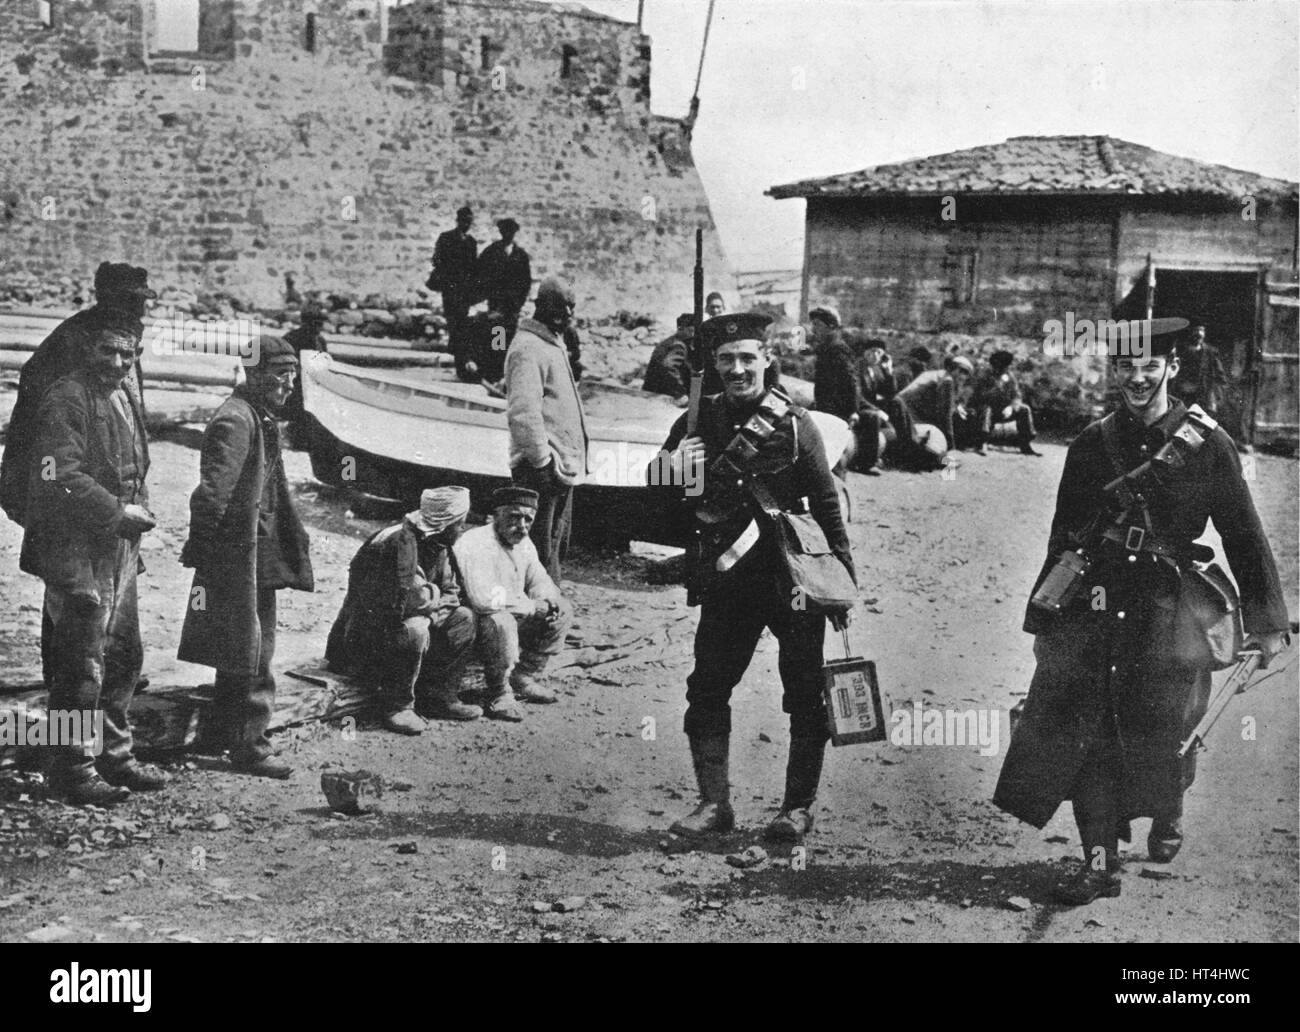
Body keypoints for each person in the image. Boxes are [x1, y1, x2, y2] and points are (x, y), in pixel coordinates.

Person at [993, 318, 1289, 905]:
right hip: (1098, 599)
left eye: (1149, 366)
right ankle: (1099, 861)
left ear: (1172, 368)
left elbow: (1242, 533)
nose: (1137, 377)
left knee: (1165, 723)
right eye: (1126, 366)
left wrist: (1267, 622)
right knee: (1088, 725)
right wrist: (1045, 614)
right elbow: (1065, 536)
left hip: (1168, 603)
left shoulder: (1209, 444)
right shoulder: (1092, 443)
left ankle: (1167, 806)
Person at [652, 313, 856, 842]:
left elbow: (827, 504)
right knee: (708, 689)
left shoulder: (794, 423)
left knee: (805, 694)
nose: (737, 369)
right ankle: (714, 804)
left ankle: (797, 808)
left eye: (747, 358)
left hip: (793, 578)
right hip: (729, 579)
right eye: (726, 360)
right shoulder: (698, 419)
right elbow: (658, 495)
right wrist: (677, 465)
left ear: (767, 359)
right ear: (714, 366)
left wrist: (842, 579)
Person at [21, 320, 166, 804]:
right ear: (89, 348)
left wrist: (135, 508)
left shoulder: (123, 394)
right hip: (76, 550)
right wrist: (116, 511)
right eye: (109, 351)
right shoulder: (66, 398)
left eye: (130, 354)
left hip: (119, 549)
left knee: (124, 655)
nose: (120, 363)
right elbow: (57, 474)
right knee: (79, 665)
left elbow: (135, 466)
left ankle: (115, 755)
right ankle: (72, 767)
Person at [1, 263, 157, 692]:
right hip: (70, 495)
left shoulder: (124, 339)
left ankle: (99, 688)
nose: (136, 309)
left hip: (109, 503)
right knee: (75, 598)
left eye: (141, 301)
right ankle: (66, 689)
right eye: (127, 300)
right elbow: (44, 433)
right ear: (102, 296)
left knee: (106, 611)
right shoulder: (74, 345)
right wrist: (30, 490)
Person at [177, 336, 314, 779]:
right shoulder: (236, 421)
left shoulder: (256, 414)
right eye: (279, 375)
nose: (288, 385)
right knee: (255, 649)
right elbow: (214, 494)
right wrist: (205, 550)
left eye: (293, 375)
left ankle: (222, 735)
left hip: (256, 550)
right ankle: (250, 746)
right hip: (240, 556)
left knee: (241, 645)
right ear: (252, 375)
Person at [325, 487, 480, 730]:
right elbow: (411, 600)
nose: (463, 528)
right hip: (362, 640)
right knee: (415, 628)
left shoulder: (438, 543)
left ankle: (439, 697)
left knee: (463, 619)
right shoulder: (397, 542)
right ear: (446, 522)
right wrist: (431, 606)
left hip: (399, 630)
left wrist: (432, 607)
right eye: (460, 523)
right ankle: (397, 706)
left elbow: (452, 593)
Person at [453, 487, 571, 722]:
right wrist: (532, 607)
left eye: (528, 519)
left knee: (563, 608)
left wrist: (548, 600)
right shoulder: (475, 542)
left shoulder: (524, 543)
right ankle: (499, 692)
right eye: (514, 516)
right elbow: (483, 600)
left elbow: (539, 578)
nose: (522, 525)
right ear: (496, 515)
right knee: (501, 621)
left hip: (514, 612)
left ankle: (524, 677)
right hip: (474, 624)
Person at [505, 278, 589, 584]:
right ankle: (536, 623)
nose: (566, 312)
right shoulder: (529, 347)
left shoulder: (552, 344)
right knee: (537, 550)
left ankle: (550, 618)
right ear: (540, 306)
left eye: (571, 306)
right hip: (540, 469)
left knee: (553, 547)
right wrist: (542, 461)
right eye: (559, 305)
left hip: (559, 468)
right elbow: (523, 413)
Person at [892, 354, 972, 468]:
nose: (963, 376)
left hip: (899, 412)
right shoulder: (947, 380)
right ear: (952, 368)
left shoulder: (933, 374)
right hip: (910, 418)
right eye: (961, 371)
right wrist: (951, 449)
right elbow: (946, 416)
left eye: (966, 373)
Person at [429, 206, 479, 373]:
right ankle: (458, 353)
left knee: (461, 321)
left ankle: (459, 354)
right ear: (458, 221)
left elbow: (473, 267)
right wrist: (449, 274)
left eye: (469, 222)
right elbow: (437, 259)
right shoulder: (446, 238)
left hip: (464, 290)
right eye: (464, 221)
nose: (467, 224)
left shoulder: (472, 242)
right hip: (450, 288)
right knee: (453, 320)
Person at [971, 349, 1039, 455]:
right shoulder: (986, 377)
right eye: (1000, 366)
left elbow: (1017, 395)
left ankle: (1025, 444)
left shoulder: (1010, 376)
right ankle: (982, 443)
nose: (1004, 369)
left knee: (1024, 409)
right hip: (989, 410)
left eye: (1005, 366)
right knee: (986, 410)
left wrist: (1011, 407)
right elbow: (979, 396)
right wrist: (997, 387)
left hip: (1005, 410)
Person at [475, 217, 532, 343]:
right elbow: (480, 274)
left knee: (510, 334)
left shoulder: (520, 255)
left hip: (513, 305)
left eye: (510, 231)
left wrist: (519, 302)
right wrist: (488, 294)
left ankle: (506, 360)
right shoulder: (491, 252)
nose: (508, 234)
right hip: (497, 303)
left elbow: (526, 281)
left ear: (514, 233)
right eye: (505, 231)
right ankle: (497, 361)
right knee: (498, 335)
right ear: (501, 232)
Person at [852, 340, 896, 474]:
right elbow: (857, 396)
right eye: (872, 352)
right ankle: (867, 464)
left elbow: (890, 392)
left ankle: (884, 455)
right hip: (856, 406)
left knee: (895, 410)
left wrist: (889, 371)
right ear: (865, 353)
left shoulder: (876, 369)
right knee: (874, 418)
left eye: (879, 352)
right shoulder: (857, 368)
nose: (875, 355)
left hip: (870, 406)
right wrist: (877, 410)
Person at [643, 313, 695, 404]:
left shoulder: (670, 341)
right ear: (681, 328)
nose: (693, 335)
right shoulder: (679, 345)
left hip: (651, 391)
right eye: (691, 330)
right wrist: (680, 393)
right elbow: (669, 368)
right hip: (663, 395)